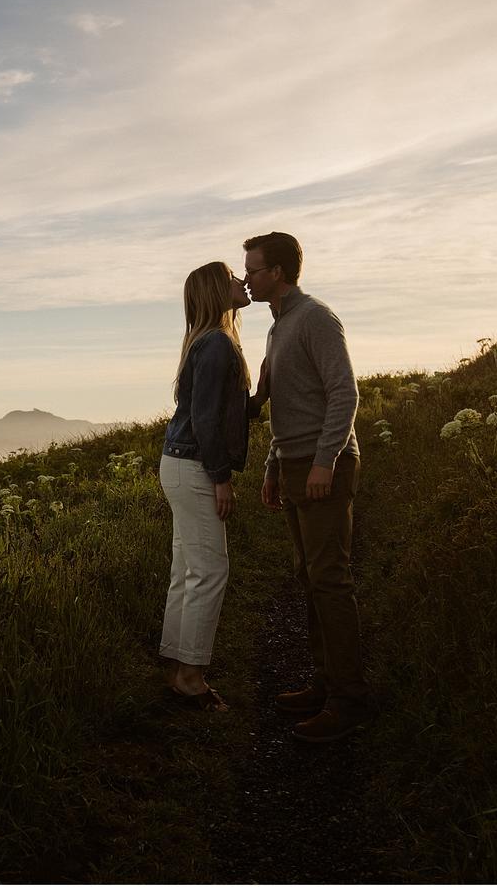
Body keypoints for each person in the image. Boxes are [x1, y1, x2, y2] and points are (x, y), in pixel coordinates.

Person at [240, 231, 372, 742]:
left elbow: (345, 392)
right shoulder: (278, 328)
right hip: (293, 463)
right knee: (308, 577)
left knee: (330, 580)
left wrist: (325, 461)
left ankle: (350, 700)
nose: (246, 279)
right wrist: (274, 465)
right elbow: (287, 408)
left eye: (252, 270)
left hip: (324, 467)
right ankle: (324, 684)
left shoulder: (316, 317)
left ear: (277, 272)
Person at [159, 260, 253, 711]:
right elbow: (206, 420)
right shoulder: (217, 343)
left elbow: (222, 410)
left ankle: (179, 667)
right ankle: (191, 678)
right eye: (234, 276)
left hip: (178, 463)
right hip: (195, 465)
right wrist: (221, 479)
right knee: (210, 571)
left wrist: (263, 392)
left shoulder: (207, 341)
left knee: (188, 570)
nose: (242, 281)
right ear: (219, 289)